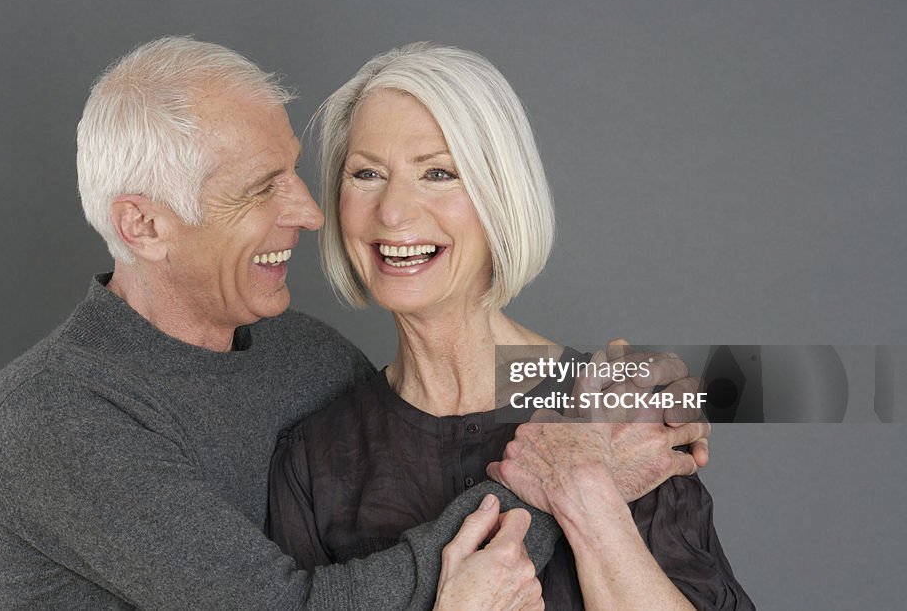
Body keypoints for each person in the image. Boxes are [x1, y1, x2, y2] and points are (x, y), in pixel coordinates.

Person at [0, 36, 710, 610]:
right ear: (144, 225)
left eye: (439, 171)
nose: (309, 211)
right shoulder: (57, 414)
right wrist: (572, 477)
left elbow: (464, 403)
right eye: (262, 189)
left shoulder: (305, 359)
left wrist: (650, 388)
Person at [267, 43, 753, 609]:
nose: (393, 211)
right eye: (367, 173)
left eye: (439, 172)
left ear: (501, 197)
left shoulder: (616, 404)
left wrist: (587, 493)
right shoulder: (314, 456)